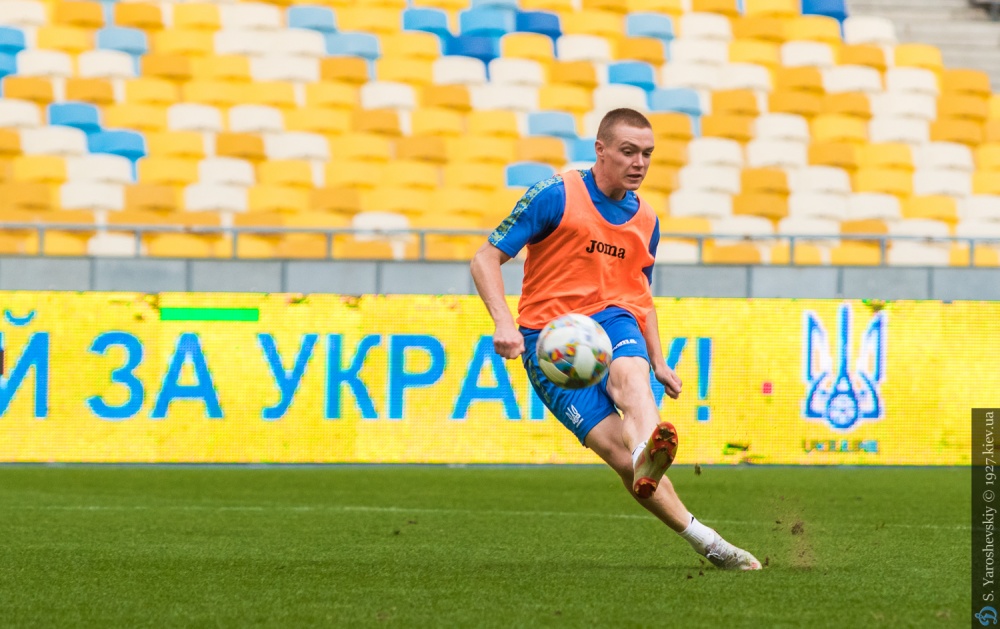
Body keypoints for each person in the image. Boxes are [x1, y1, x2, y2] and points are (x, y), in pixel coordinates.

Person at [470, 108, 761, 571]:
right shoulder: (555, 194)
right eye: (628, 151)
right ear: (600, 150)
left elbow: (640, 295)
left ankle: (650, 449)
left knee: (633, 382)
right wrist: (504, 323)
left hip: (612, 319)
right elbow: (485, 258)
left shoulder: (646, 219)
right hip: (550, 339)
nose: (639, 163)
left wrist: (659, 360)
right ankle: (708, 542)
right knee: (622, 461)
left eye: (647, 153)